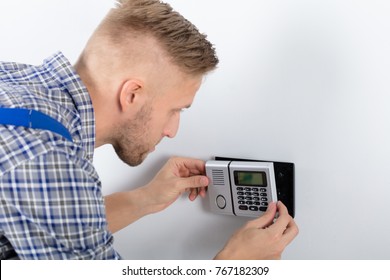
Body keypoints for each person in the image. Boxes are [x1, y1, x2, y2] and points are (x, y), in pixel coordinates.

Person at [0, 0, 298, 260]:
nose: (172, 131)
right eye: (176, 109)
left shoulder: (15, 81)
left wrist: (146, 198)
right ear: (132, 95)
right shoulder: (47, 160)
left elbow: (57, 221)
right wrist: (234, 264)